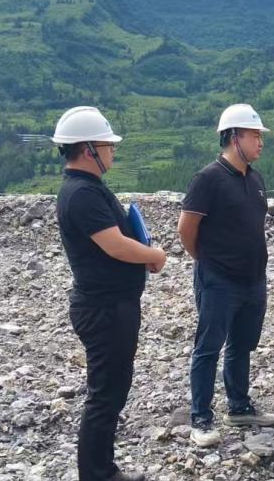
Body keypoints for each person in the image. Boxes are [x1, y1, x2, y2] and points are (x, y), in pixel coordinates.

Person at [53, 106, 167, 481]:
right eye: (108, 145)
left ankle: (103, 469)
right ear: (88, 149)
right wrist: (153, 255)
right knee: (105, 395)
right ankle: (97, 473)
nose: (113, 150)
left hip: (110, 305)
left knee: (111, 391)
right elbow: (115, 245)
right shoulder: (82, 195)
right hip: (104, 309)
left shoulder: (85, 189)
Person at [177, 103, 274, 448]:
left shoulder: (255, 178)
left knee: (242, 344)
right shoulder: (207, 179)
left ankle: (239, 406)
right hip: (218, 279)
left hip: (253, 279)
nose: (261, 142)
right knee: (208, 347)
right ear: (234, 137)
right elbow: (186, 229)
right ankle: (201, 418)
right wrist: (207, 261)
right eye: (254, 135)